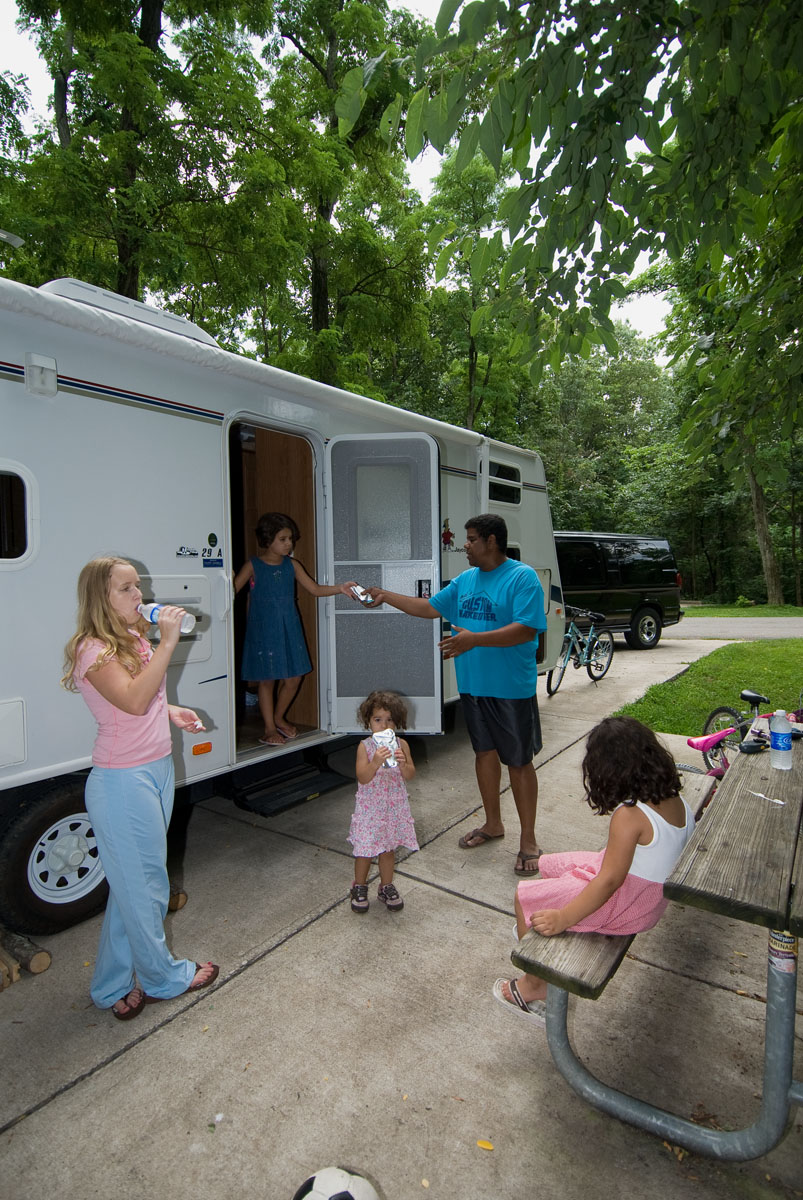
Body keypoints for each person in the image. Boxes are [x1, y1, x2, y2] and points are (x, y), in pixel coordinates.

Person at [62, 557, 219, 1021]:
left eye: (138, 587)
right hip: (122, 782)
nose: (140, 597)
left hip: (155, 769)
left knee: (130, 889)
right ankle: (162, 977)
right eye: (127, 589)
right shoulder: (92, 650)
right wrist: (170, 641)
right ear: (101, 598)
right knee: (149, 887)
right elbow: (130, 700)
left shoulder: (129, 638)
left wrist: (171, 711)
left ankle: (110, 986)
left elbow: (144, 697)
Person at [367, 514, 546, 876]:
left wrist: (473, 640)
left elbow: (526, 630)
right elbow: (429, 607)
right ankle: (493, 824)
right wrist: (385, 596)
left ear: (491, 541)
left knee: (519, 762)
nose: (465, 545)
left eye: (471, 539)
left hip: (510, 688)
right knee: (484, 754)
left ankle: (528, 840)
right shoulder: (465, 580)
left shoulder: (522, 577)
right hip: (474, 686)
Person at [493, 716, 696, 1025]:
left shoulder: (630, 817)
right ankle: (538, 931)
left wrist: (565, 918)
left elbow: (610, 881)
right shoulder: (672, 797)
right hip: (645, 893)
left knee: (525, 896)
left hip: (628, 903)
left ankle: (536, 987)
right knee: (553, 863)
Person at [234, 512, 357, 745]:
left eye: (290, 539)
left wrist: (340, 588)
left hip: (289, 626)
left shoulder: (292, 565)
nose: (289, 544)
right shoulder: (253, 565)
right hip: (263, 630)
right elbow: (232, 591)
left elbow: (315, 589)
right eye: (283, 539)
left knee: (294, 677)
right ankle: (269, 728)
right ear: (267, 539)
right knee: (266, 679)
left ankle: (279, 718)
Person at [348, 690, 418, 914]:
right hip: (370, 810)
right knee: (365, 851)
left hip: (393, 808)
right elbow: (363, 777)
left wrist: (403, 763)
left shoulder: (401, 745)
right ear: (368, 721)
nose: (383, 725)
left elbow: (410, 774)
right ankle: (359, 886)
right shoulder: (365, 747)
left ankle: (386, 886)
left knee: (388, 850)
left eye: (389, 720)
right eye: (378, 720)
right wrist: (375, 761)